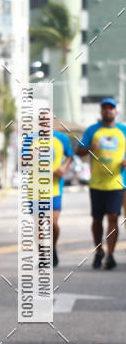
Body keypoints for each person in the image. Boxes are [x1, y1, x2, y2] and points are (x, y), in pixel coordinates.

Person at [76, 98, 126, 269]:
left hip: (117, 182)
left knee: (113, 217)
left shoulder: (123, 131)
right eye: (105, 108)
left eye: (111, 108)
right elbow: (78, 151)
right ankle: (99, 251)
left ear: (116, 112)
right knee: (97, 219)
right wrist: (90, 147)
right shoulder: (92, 130)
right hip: (97, 183)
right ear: (101, 112)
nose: (108, 111)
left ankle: (110, 255)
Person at [51, 129, 73, 267]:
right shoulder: (30, 139)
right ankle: (43, 255)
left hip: (55, 188)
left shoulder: (61, 138)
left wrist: (64, 168)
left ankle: (52, 249)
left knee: (53, 224)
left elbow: (70, 156)